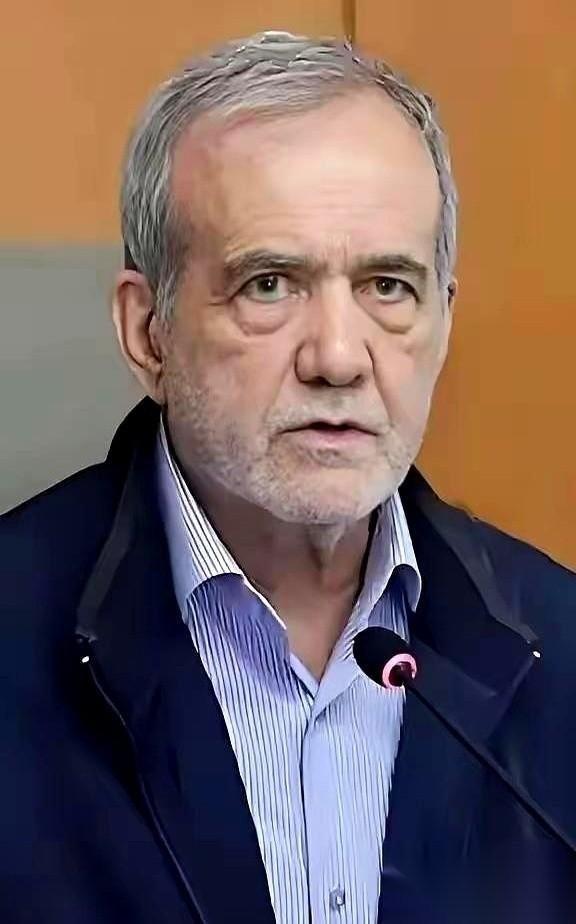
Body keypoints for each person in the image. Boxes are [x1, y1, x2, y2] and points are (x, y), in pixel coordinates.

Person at [1, 31, 575, 924]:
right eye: (269, 284)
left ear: (444, 322)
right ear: (148, 333)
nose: (339, 357)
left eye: (388, 286)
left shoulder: (561, 651)